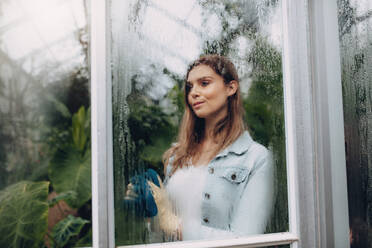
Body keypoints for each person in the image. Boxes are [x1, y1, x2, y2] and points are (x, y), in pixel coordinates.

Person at [148, 54, 274, 241]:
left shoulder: (256, 158)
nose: (193, 93)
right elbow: (163, 230)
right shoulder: (178, 155)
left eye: (204, 83)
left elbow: (247, 241)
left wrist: (175, 225)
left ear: (231, 88)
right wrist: (151, 212)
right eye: (190, 87)